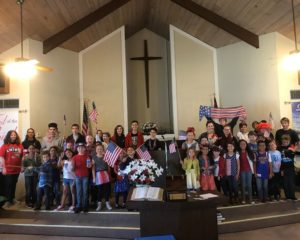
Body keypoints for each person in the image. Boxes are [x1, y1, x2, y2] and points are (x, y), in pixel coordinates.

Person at [0, 130, 23, 208]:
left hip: (16, 170)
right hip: (8, 170)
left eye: (15, 135)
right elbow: (1, 157)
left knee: (13, 184)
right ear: (9, 136)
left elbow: (22, 157)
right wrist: (4, 168)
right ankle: (8, 201)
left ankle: (12, 198)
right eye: (12, 135)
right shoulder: (5, 146)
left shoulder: (20, 145)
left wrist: (22, 166)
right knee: (8, 185)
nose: (13, 136)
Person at [72, 143, 92, 213]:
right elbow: (73, 168)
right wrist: (72, 167)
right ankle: (79, 205)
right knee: (79, 191)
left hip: (85, 176)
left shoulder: (87, 157)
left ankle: (85, 205)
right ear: (77, 149)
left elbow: (89, 166)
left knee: (85, 191)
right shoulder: (74, 157)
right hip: (77, 176)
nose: (80, 149)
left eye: (82, 147)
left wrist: (89, 165)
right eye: (79, 148)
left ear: (84, 149)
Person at [92, 144, 112, 211]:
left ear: (103, 149)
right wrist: (94, 178)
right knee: (99, 190)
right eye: (98, 149)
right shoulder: (94, 158)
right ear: (96, 150)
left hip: (105, 174)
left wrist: (109, 175)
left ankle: (107, 202)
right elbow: (93, 169)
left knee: (107, 190)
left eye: (101, 149)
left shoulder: (105, 157)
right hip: (98, 175)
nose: (99, 150)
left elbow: (108, 167)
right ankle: (99, 203)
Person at [278, 135, 297, 200]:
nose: (285, 143)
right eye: (284, 142)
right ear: (282, 141)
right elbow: (280, 160)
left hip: (291, 168)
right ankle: (287, 196)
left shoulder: (291, 147)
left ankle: (292, 195)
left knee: (291, 183)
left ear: (289, 141)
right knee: (285, 183)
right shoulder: (279, 148)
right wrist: (281, 170)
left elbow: (294, 155)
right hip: (284, 168)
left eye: (287, 142)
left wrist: (292, 150)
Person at [238, 140, 255, 204]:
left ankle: (250, 199)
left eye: (244, 144)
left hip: (249, 171)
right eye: (241, 144)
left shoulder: (249, 152)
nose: (243, 145)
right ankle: (243, 199)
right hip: (242, 171)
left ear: (246, 145)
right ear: (239, 145)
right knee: (243, 185)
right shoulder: (238, 153)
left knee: (249, 185)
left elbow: (253, 161)